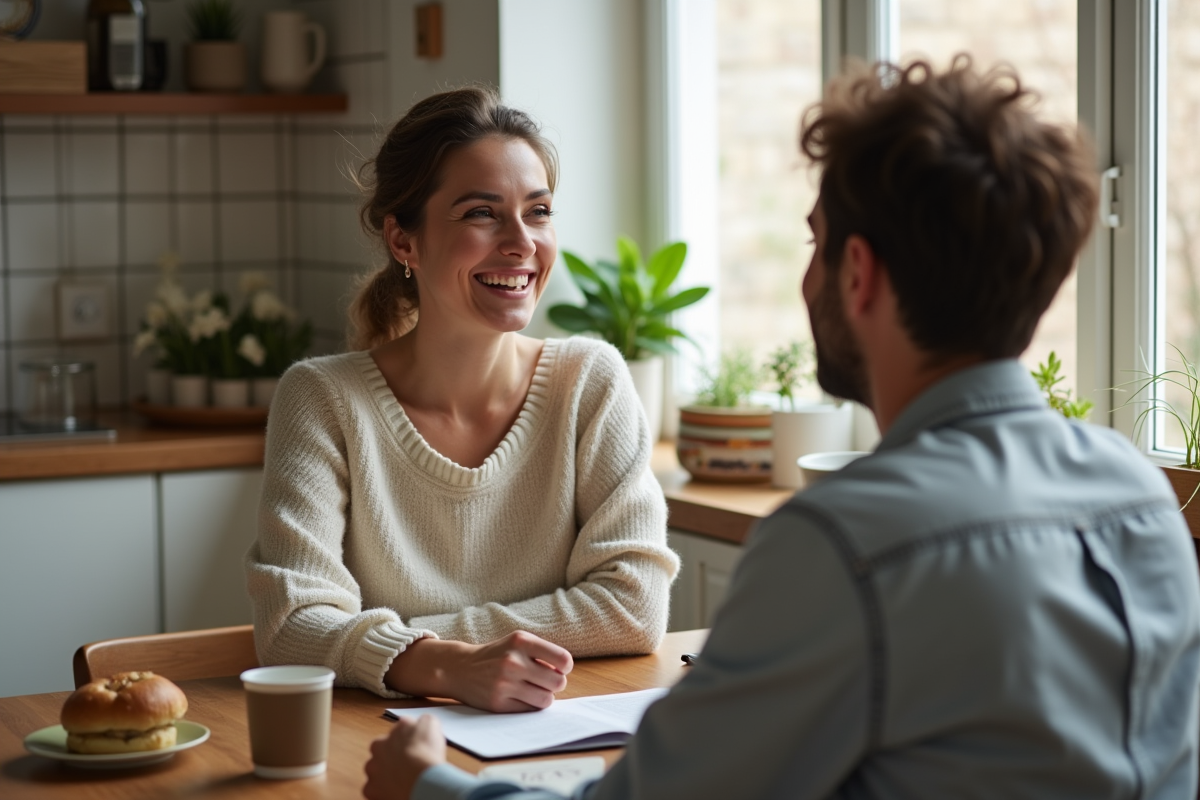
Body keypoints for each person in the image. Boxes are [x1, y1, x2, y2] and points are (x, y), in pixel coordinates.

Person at [362, 56, 1200, 800]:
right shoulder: (1140, 495)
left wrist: (430, 786)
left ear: (858, 274)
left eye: (815, 244)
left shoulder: (845, 544)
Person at [245, 86, 679, 712]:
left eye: (539, 211)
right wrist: (449, 668)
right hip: (379, 740)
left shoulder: (591, 381)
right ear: (403, 241)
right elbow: (289, 628)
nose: (522, 242)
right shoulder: (321, 399)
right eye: (482, 213)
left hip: (552, 727)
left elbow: (633, 606)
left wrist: (407, 650)